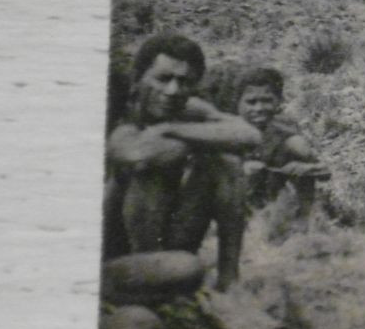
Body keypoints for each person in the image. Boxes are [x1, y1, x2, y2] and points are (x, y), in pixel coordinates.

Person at [104, 33, 262, 290]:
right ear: (139, 78)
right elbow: (136, 153)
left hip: (170, 251)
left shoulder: (184, 109)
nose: (173, 91)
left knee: (227, 163)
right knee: (155, 167)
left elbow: (249, 134)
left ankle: (229, 280)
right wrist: (203, 138)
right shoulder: (119, 112)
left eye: (184, 82)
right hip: (115, 261)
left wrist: (170, 129)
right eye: (163, 79)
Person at [234, 66, 331, 223]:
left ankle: (303, 225)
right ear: (238, 103)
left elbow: (324, 171)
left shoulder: (285, 132)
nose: (259, 108)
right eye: (251, 102)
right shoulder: (227, 130)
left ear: (279, 101)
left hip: (275, 204)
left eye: (267, 101)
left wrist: (304, 168)